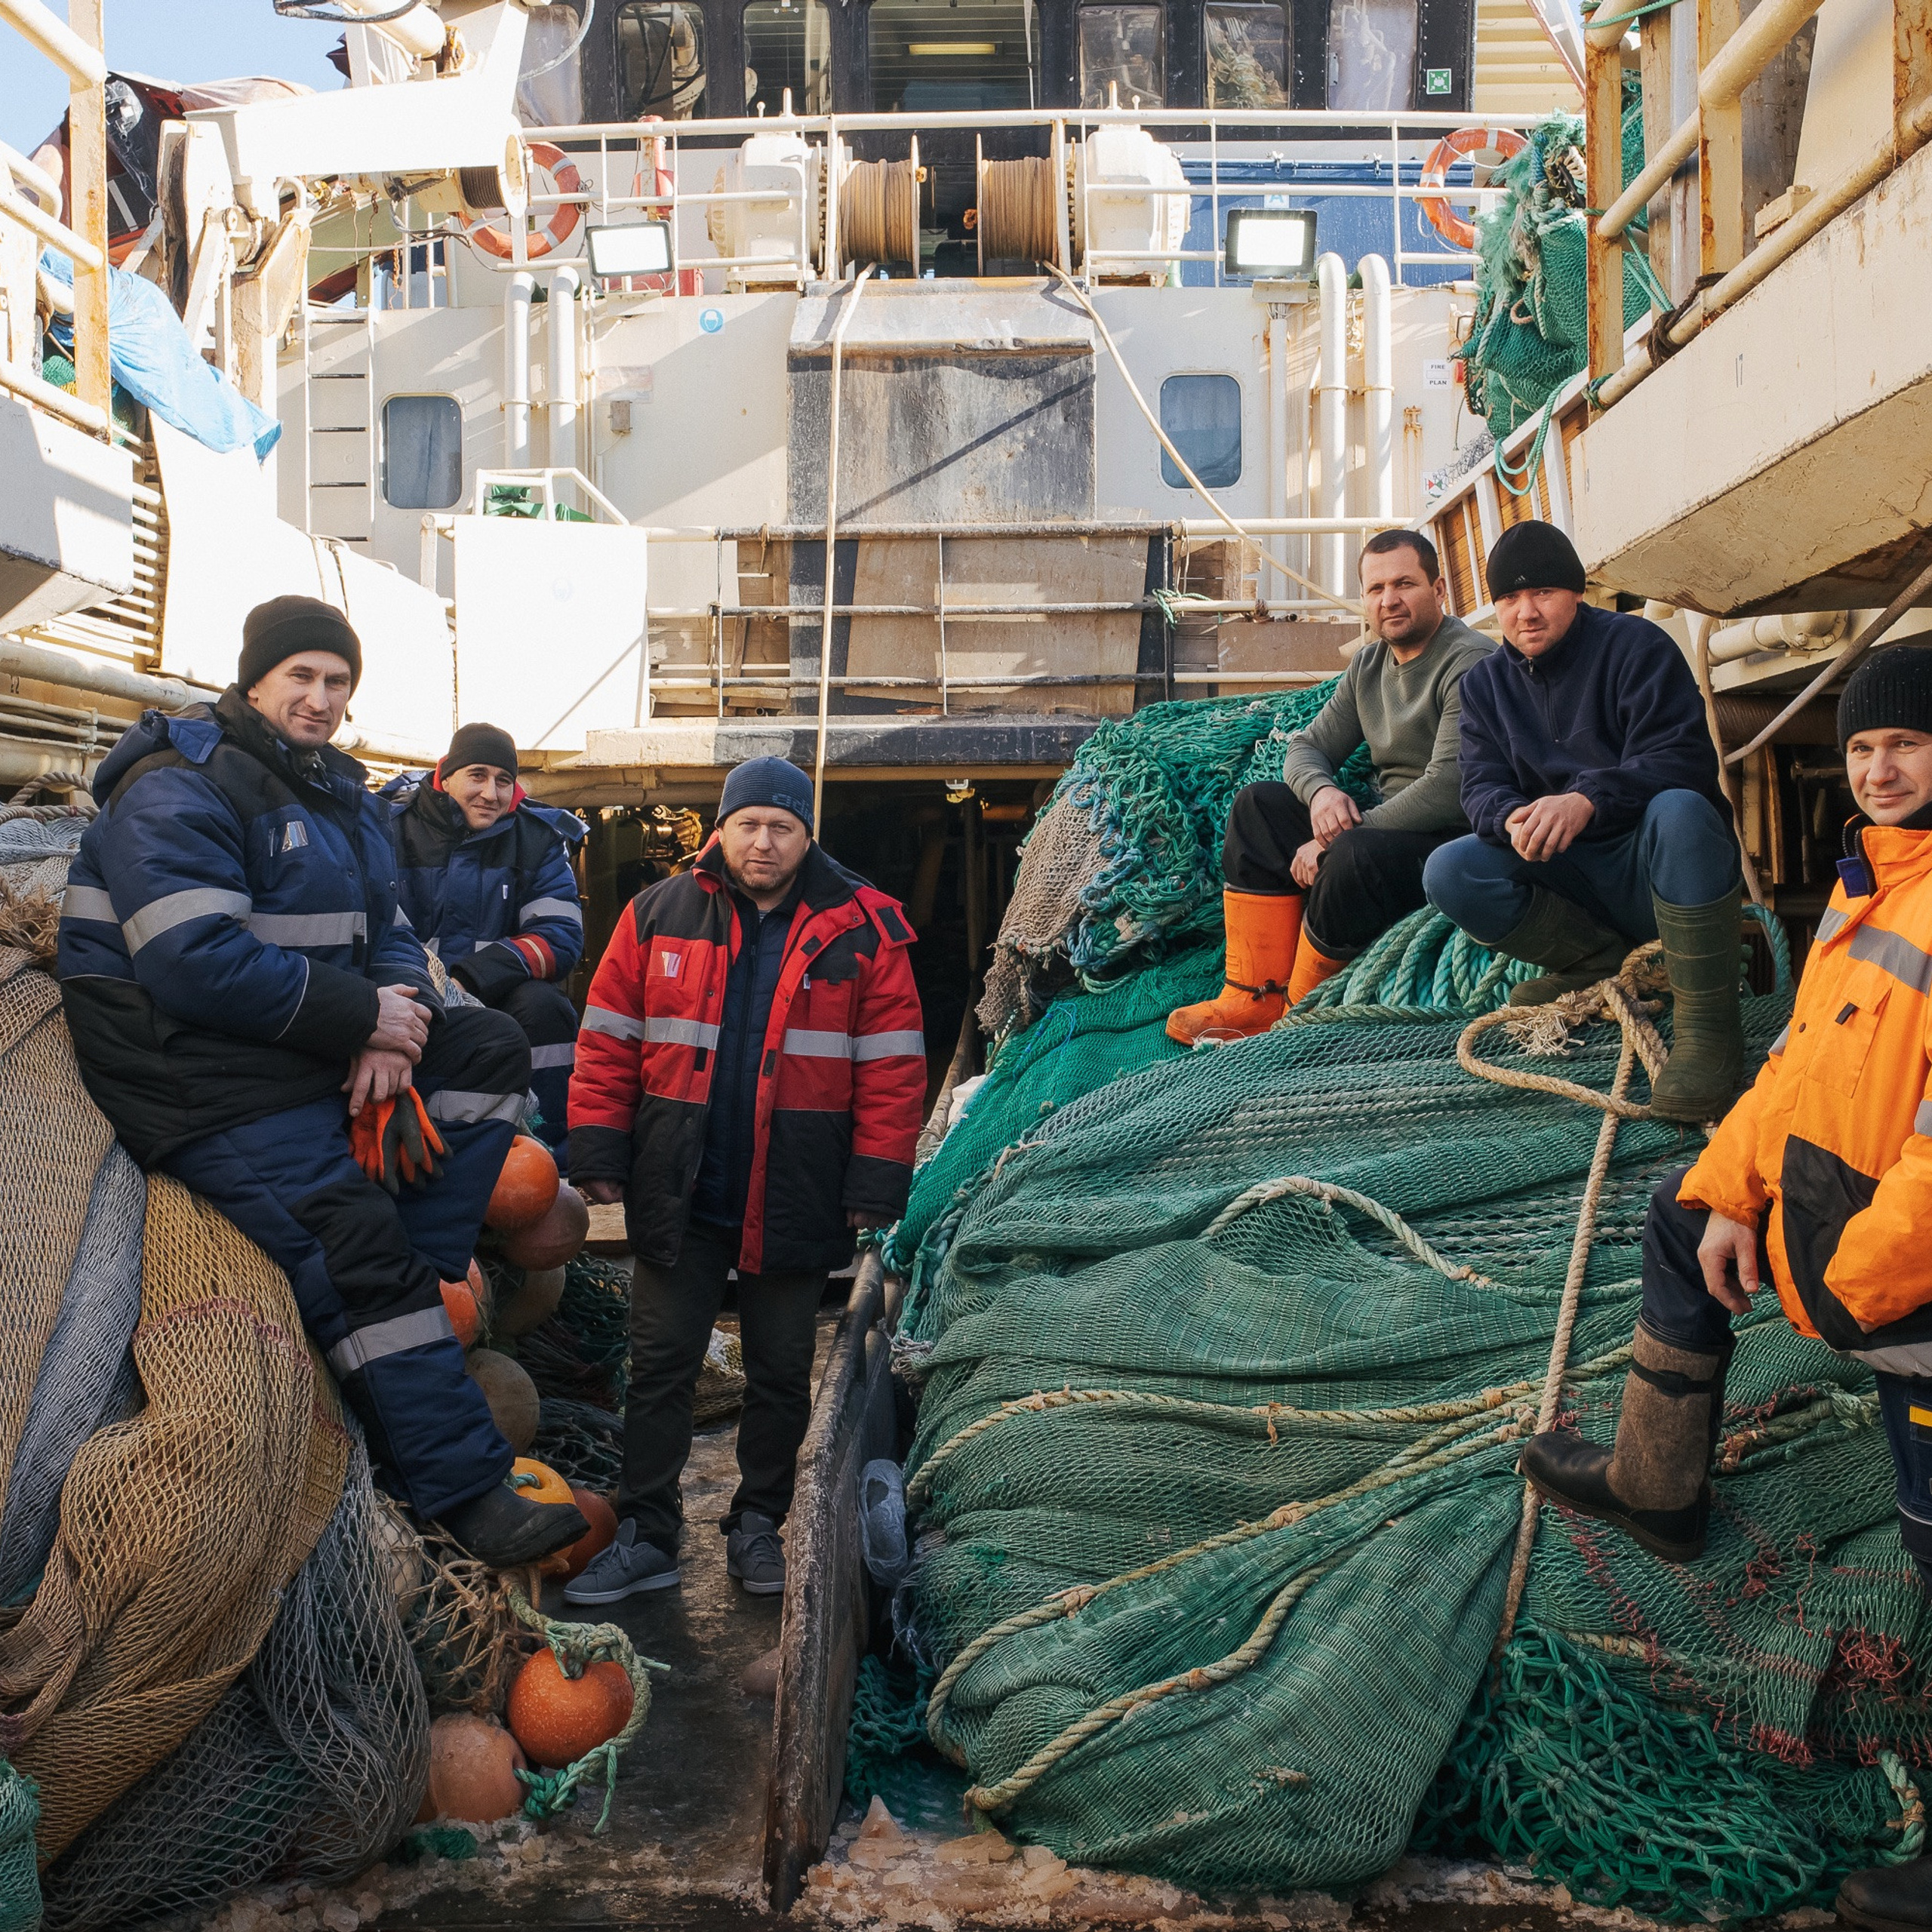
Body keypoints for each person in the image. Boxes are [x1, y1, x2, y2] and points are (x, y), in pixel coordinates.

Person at [1516, 646, 1932, 1932]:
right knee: (1676, 1210)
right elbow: (1800, 1075)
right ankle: (1657, 1481)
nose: (1879, 766)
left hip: (1909, 1297)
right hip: (1860, 1277)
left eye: (1906, 745)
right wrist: (1726, 1188)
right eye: (1863, 749)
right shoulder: (1866, 894)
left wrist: (1853, 1281)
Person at [57, 595, 587, 1571]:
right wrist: (358, 1021)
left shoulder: (328, 793)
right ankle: (463, 1490)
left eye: (337, 680)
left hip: (293, 1042)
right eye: (301, 675)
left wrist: (395, 1020)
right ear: (254, 678)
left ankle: (419, 1273)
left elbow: (385, 928)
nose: (321, 696)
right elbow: (188, 958)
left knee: (488, 1052)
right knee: (354, 1243)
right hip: (194, 1069)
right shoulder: (179, 786)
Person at [564, 757, 925, 1604]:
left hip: (795, 1183)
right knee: (657, 1365)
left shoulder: (863, 928)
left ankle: (759, 1523)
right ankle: (647, 1531)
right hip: (677, 1182)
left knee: (778, 1366)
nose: (763, 841)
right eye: (749, 823)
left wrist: (877, 1182)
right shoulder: (656, 914)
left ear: (808, 834)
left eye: (783, 826)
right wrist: (598, 1154)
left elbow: (893, 1069)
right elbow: (608, 1040)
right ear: (719, 828)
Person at [1422, 520, 1744, 1121]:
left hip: (1651, 867)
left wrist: (1586, 799)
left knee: (1682, 809)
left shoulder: (1637, 647)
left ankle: (1708, 1029)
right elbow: (1478, 787)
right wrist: (1511, 816)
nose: (1526, 613)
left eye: (1542, 593)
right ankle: (1595, 964)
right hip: (1569, 875)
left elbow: (1683, 759)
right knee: (1451, 869)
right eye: (1510, 599)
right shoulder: (1486, 684)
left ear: (1577, 592)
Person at [1167, 529, 1494, 1044]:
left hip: (1451, 844)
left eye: (1404, 584)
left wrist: (1330, 841)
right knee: (1259, 807)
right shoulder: (1369, 665)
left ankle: (1299, 1014)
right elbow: (1305, 748)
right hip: (1384, 829)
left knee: (1354, 853)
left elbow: (1449, 787)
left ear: (1438, 589)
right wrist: (1321, 793)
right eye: (1376, 589)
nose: (1389, 600)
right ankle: (1253, 997)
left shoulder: (1470, 661)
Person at [382, 723, 586, 1170]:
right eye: (477, 775)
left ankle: (548, 1157)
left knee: (545, 1007)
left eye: (503, 780)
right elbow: (374, 924)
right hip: (408, 989)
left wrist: (472, 976)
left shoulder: (539, 839)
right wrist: (427, 981)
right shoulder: (388, 829)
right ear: (445, 775)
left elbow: (560, 934)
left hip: (494, 991)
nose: (490, 793)